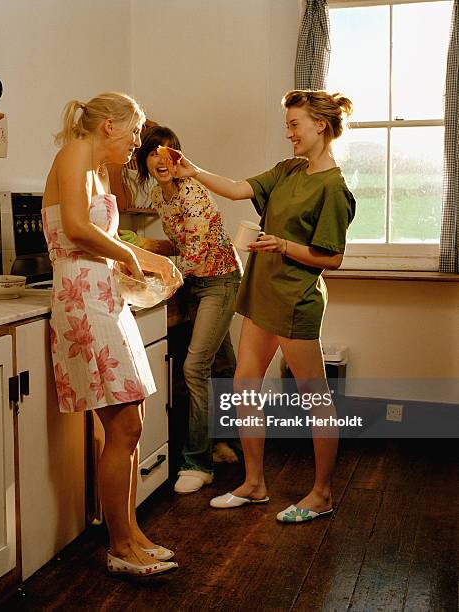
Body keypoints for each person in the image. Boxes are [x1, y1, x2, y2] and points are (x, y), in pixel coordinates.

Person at [168, 90, 355, 522]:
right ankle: (254, 484)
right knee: (245, 383)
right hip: (262, 291)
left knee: (314, 398)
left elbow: (332, 257)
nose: (288, 132)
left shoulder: (333, 188)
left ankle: (322, 493)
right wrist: (191, 171)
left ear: (320, 126)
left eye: (295, 125)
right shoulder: (289, 170)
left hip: (295, 298)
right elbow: (237, 189)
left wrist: (283, 244)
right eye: (288, 124)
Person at [41, 92, 182, 575]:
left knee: (132, 423)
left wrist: (136, 261)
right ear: (108, 127)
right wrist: (137, 257)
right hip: (82, 301)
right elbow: (78, 229)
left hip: (105, 300)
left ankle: (133, 534)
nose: (137, 142)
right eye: (134, 132)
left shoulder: (100, 170)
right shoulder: (75, 153)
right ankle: (120, 548)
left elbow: (102, 236)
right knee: (121, 425)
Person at [134, 126, 243, 494]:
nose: (161, 159)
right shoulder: (158, 196)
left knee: (195, 366)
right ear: (144, 160)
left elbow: (194, 252)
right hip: (199, 282)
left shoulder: (191, 191)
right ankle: (227, 442)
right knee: (223, 364)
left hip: (220, 280)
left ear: (179, 158)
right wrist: (146, 244)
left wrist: (139, 257)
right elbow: (180, 243)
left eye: (169, 152)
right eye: (153, 153)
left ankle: (198, 462)